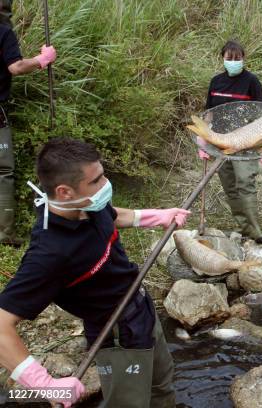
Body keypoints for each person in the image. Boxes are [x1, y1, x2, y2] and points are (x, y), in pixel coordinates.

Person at [0, 138, 188, 407]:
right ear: (64, 191)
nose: (106, 185)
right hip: (117, 334)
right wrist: (44, 384)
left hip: (142, 309)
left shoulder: (87, 205)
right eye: (97, 181)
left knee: (161, 387)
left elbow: (113, 216)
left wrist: (157, 216)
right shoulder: (50, 254)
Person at [197, 39, 262, 243]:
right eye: (229, 58)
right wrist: (202, 140)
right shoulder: (216, 81)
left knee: (245, 182)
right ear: (223, 58)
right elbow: (209, 114)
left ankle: (256, 231)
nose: (233, 61)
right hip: (220, 141)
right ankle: (244, 227)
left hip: (246, 141)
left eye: (237, 58)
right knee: (229, 185)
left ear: (243, 58)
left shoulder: (251, 81)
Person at [0, 0, 57, 245]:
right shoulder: (3, 31)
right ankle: (3, 234)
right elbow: (16, 66)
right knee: (2, 171)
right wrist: (41, 59)